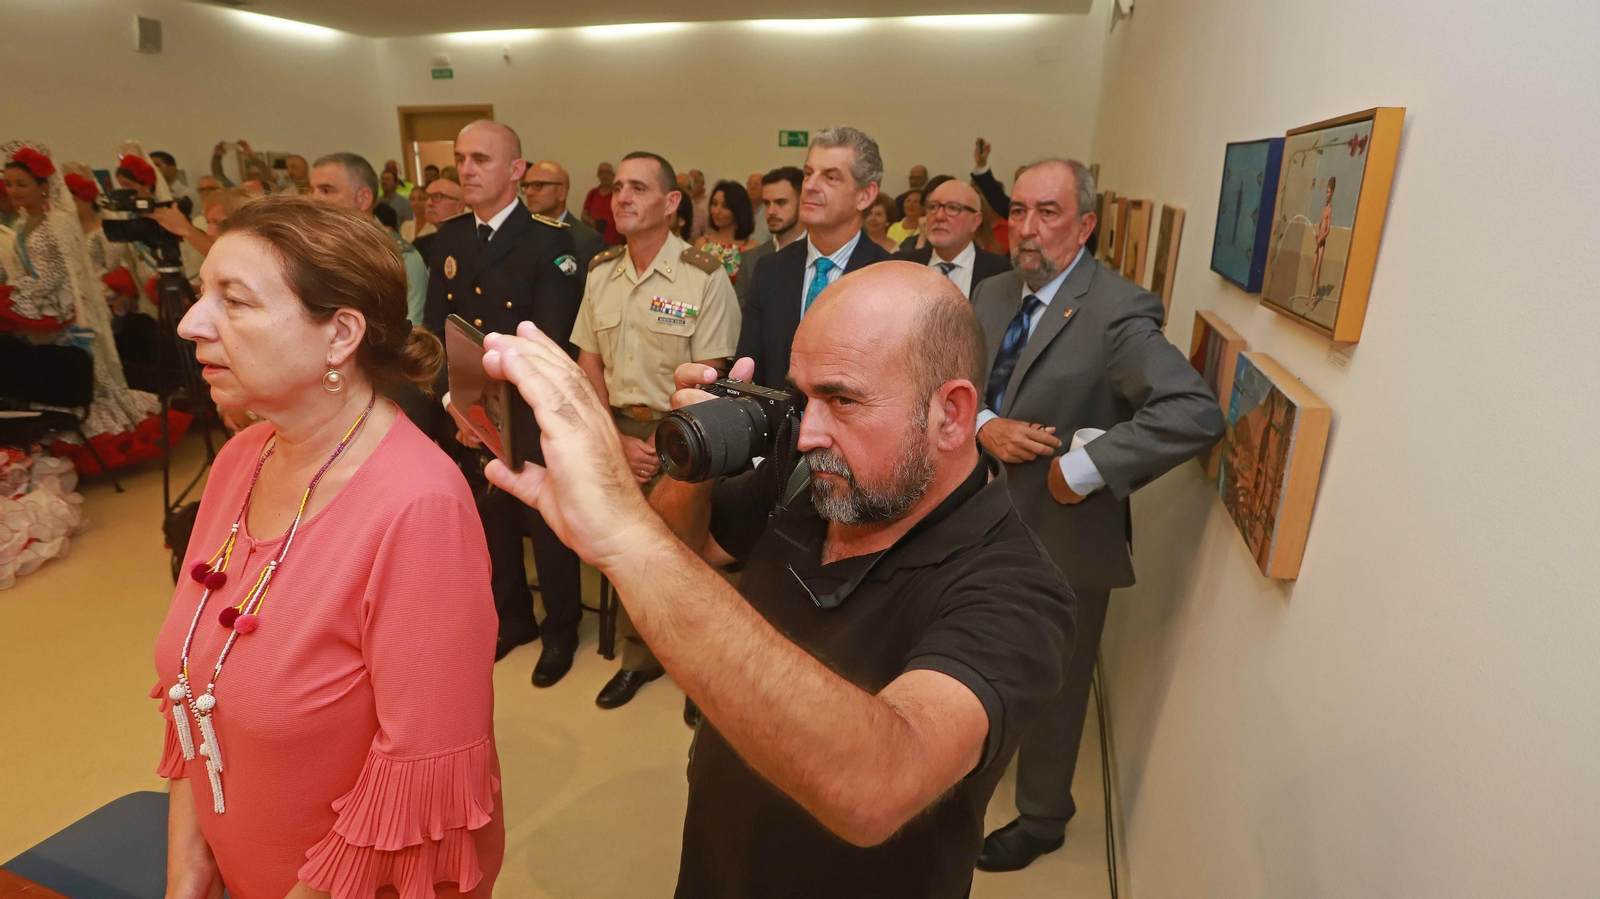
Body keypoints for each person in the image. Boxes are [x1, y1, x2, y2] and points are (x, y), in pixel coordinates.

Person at [477, 261, 1073, 897]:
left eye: (843, 399)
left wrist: (624, 530)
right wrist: (692, 459)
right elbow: (686, 549)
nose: (810, 431)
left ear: (951, 414)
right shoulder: (812, 474)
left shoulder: (1016, 589)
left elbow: (877, 783)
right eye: (803, 397)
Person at [156, 195, 503, 899]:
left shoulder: (419, 506)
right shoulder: (242, 458)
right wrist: (188, 872)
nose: (192, 324)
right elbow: (196, 695)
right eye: (200, 296)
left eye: (235, 301)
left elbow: (414, 782)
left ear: (340, 333)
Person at [970, 158, 1225, 872]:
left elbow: (1193, 411)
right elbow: (956, 384)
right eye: (1018, 210)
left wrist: (1077, 471)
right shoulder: (992, 292)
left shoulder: (1118, 307)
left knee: (1054, 680)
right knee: (978, 652)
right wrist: (987, 422)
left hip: (1059, 535)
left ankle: (1044, 816)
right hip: (976, 519)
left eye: (1047, 212)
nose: (1027, 228)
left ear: (1085, 224)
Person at [569, 150, 741, 708]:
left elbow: (712, 375)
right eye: (618, 187)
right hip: (615, 427)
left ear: (670, 204)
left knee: (687, 554)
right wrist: (611, 436)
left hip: (686, 430)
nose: (622, 197)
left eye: (638, 188)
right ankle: (639, 658)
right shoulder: (600, 273)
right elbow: (588, 362)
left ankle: (703, 672)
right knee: (630, 554)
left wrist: (661, 440)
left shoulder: (703, 277)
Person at [420, 120, 586, 685]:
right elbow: (434, 331)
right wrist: (457, 405)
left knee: (544, 524)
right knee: (488, 520)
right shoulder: (447, 239)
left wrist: (490, 409)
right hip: (468, 411)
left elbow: (550, 339)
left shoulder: (550, 242)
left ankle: (561, 629)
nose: (466, 169)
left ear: (515, 170)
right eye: (461, 158)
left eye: (481, 159)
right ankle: (512, 617)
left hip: (530, 410)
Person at [1, 142, 162, 466]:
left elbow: (63, 274)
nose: (14, 190)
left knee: (83, 379)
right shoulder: (21, 223)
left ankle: (97, 438)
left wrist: (15, 297)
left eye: (22, 184)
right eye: (9, 183)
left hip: (65, 311)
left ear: (44, 186)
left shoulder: (57, 222)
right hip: (39, 309)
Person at [736, 126, 895, 390]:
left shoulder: (890, 277)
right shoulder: (770, 269)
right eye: (808, 173)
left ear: (864, 195)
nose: (809, 186)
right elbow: (749, 373)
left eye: (830, 177)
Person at [310, 152, 429, 325]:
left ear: (363, 199)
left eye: (326, 190)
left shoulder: (402, 258)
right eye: (311, 190)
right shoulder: (310, 251)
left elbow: (411, 338)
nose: (313, 199)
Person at [895, 178, 1011, 299]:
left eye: (953, 208)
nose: (939, 216)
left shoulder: (1000, 272)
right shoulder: (903, 266)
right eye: (933, 207)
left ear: (975, 221)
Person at [734, 166, 805, 309]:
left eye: (781, 203)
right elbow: (742, 318)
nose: (771, 211)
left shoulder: (820, 256)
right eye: (766, 203)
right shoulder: (751, 259)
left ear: (802, 203)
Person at [519, 160, 604, 270]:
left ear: (561, 192)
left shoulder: (586, 240)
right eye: (526, 186)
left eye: (537, 185)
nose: (528, 192)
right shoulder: (519, 234)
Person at [696, 180, 757, 284]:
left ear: (738, 210)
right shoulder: (702, 243)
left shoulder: (750, 247)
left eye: (725, 206)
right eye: (714, 204)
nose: (716, 211)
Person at [415, 177, 467, 266]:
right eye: (426, 197)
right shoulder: (421, 245)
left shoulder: (472, 243)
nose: (429, 203)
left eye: (437, 197)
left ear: (460, 206)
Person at [581, 161, 619, 246]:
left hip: (615, 243)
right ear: (598, 175)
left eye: (607, 172)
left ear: (613, 175)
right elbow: (584, 215)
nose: (605, 175)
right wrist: (592, 222)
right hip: (595, 243)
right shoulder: (592, 193)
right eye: (602, 172)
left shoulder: (618, 194)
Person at [744, 170, 772, 245]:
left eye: (757, 184)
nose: (752, 186)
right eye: (749, 183)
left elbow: (757, 243)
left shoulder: (769, 212)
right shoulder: (742, 210)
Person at [686, 168, 709, 240]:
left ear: (703, 183)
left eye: (695, 181)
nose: (692, 185)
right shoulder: (685, 200)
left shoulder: (710, 200)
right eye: (690, 182)